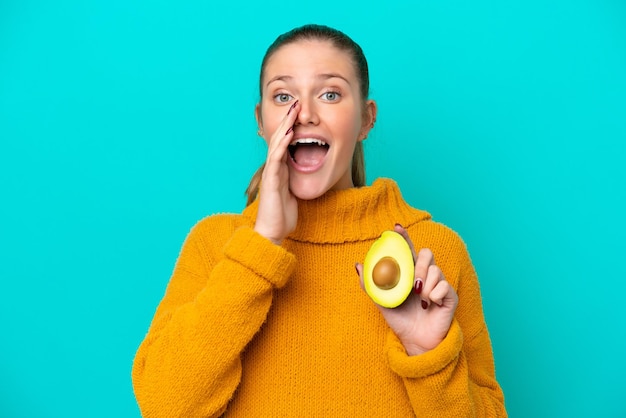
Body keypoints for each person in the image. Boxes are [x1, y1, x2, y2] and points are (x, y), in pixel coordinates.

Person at [132, 24, 507, 417]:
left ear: (366, 119)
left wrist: (428, 354)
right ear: (262, 120)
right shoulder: (216, 244)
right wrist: (261, 246)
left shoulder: (433, 253)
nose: (305, 114)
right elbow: (164, 405)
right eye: (283, 96)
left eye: (330, 93)